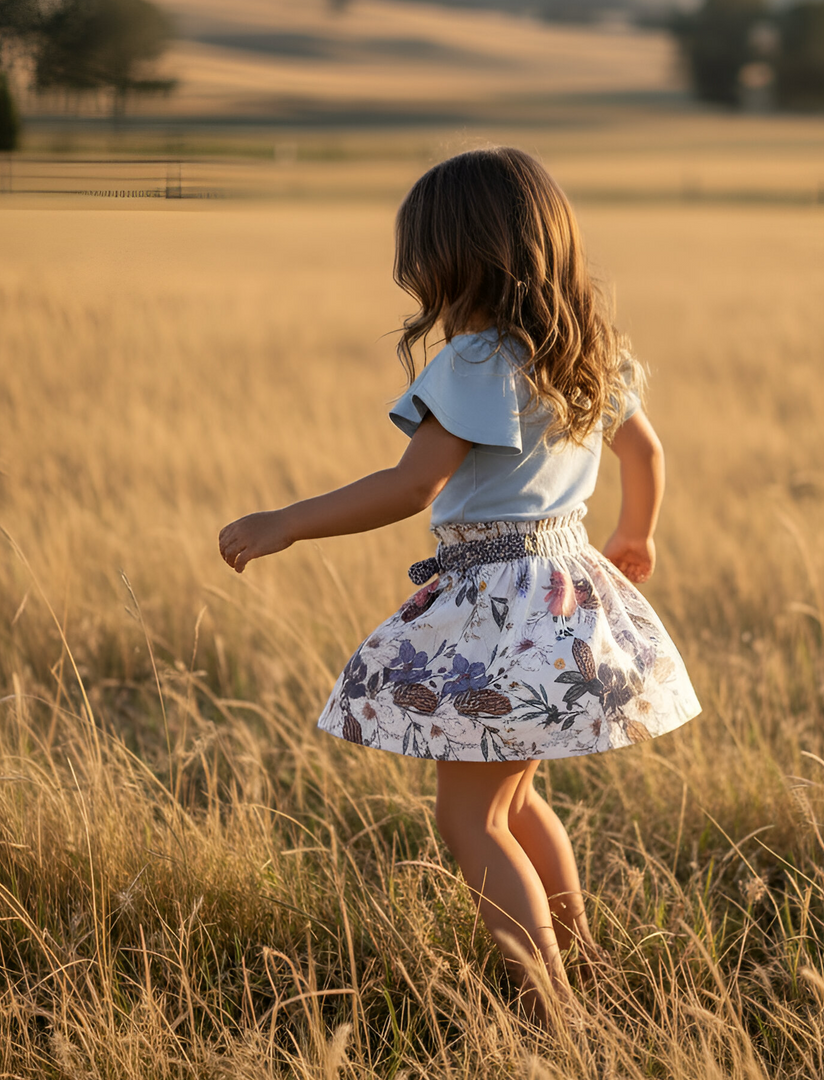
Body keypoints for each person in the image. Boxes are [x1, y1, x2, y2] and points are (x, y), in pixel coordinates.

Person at [218, 147, 701, 1028]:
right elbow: (647, 452)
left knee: (468, 821)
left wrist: (286, 521)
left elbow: (413, 486)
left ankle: (554, 1010)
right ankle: (584, 966)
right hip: (566, 596)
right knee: (515, 801)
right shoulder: (583, 349)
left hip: (500, 611)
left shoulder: (477, 361)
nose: (413, 275)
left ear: (457, 257)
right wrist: (636, 534)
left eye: (421, 255)